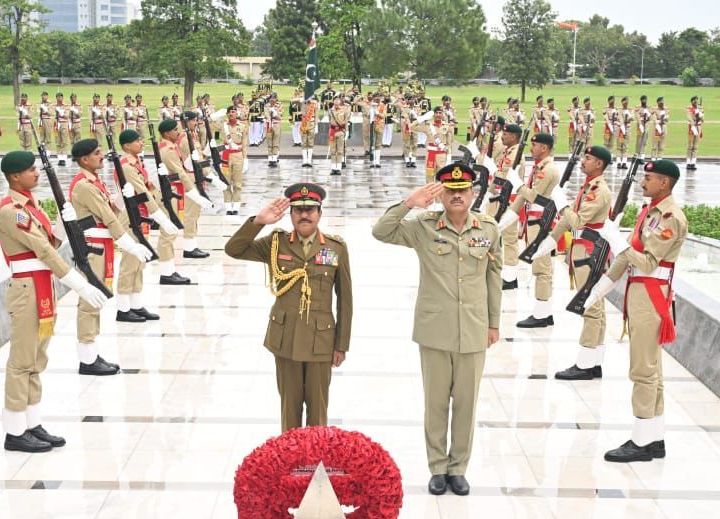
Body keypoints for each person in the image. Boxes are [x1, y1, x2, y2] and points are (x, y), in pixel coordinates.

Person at [372, 163, 502, 496]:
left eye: (463, 190)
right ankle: (437, 467)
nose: (457, 196)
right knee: (436, 403)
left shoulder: (488, 229)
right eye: (450, 190)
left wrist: (493, 322)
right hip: (434, 329)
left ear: (473, 193)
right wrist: (409, 203)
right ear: (441, 194)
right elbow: (381, 231)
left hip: (473, 328)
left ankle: (458, 467)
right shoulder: (423, 226)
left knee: (466, 404)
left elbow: (494, 278)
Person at [0, 150, 109, 452]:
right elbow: (43, 252)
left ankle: (31, 423)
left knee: (36, 359)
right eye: (31, 170)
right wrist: (78, 283)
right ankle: (15, 430)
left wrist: (62, 219)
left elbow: (51, 243)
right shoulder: (13, 211)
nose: (36, 174)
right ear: (14, 176)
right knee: (22, 362)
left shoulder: (32, 209)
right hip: (27, 290)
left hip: (41, 287)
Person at [225, 183, 353, 431]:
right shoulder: (276, 243)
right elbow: (234, 249)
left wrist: (341, 344)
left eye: (310, 209)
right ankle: (290, 464)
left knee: (318, 411)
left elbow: (345, 299)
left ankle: (314, 463)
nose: (304, 215)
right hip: (286, 339)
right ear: (291, 214)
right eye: (298, 210)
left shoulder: (336, 248)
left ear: (319, 213)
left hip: (320, 341)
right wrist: (259, 222)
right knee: (289, 409)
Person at [583, 159, 688, 462]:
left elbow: (647, 262)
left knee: (643, 370)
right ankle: (653, 437)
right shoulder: (651, 211)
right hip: (641, 294)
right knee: (651, 371)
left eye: (649, 178)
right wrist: (599, 289)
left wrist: (616, 241)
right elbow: (628, 258)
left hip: (651, 296)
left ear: (665, 183)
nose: (643, 182)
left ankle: (641, 442)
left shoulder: (670, 217)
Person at [68, 138, 154, 374]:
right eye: (97, 153)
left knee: (95, 303)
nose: (102, 156)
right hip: (92, 248)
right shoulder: (85, 185)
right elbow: (108, 219)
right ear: (84, 159)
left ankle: (92, 354)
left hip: (100, 245)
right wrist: (130, 245)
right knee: (89, 304)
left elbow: (110, 211)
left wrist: (121, 198)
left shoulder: (94, 182)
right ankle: (87, 360)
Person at [530, 146, 613, 379]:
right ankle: (594, 361)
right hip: (584, 251)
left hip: (588, 252)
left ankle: (585, 365)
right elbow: (568, 223)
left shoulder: (598, 191)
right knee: (596, 308)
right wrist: (549, 241)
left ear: (599, 164)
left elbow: (576, 222)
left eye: (588, 158)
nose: (582, 162)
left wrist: (561, 203)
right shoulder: (590, 186)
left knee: (590, 307)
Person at [112, 129, 179, 320]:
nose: (141, 143)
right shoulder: (126, 166)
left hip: (139, 215)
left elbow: (147, 187)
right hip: (130, 216)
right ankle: (123, 309)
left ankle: (136, 304)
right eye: (137, 141)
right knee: (130, 263)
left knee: (139, 263)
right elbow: (143, 193)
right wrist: (162, 219)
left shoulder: (136, 163)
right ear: (126, 146)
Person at [500, 133, 562, 327]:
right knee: (540, 268)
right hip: (535, 224)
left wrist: (516, 184)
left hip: (542, 224)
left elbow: (533, 196)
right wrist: (505, 219)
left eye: (534, 145)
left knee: (542, 270)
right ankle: (544, 312)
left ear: (544, 148)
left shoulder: (548, 170)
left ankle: (542, 315)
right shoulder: (539, 168)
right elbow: (524, 198)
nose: (531, 148)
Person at [151, 118, 196, 285]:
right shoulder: (168, 150)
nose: (178, 132)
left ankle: (169, 270)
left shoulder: (171, 147)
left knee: (170, 232)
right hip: (167, 194)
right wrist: (194, 192)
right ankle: (166, 272)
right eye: (175, 130)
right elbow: (180, 172)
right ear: (166, 133)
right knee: (167, 233)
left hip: (172, 192)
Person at [178, 111, 220, 257]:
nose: (196, 123)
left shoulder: (192, 136)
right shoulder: (184, 138)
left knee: (195, 212)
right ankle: (188, 248)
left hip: (197, 176)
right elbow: (187, 162)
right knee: (191, 213)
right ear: (187, 121)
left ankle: (192, 244)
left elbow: (200, 157)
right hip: (191, 177)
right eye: (194, 120)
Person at [489, 122, 526, 289]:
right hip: (501, 197)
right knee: (497, 235)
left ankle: (510, 278)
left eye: (505, 134)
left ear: (513, 137)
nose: (502, 136)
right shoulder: (509, 151)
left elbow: (502, 175)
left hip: (509, 199)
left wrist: (493, 172)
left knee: (509, 239)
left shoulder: (515, 153)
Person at [415, 106, 452, 180]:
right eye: (436, 113)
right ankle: (430, 192)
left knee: (441, 177)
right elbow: (412, 127)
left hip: (442, 154)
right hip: (431, 154)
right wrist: (422, 118)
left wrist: (449, 157)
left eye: (440, 113)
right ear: (433, 114)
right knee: (429, 177)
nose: (438, 115)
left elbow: (449, 144)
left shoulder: (447, 127)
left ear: (442, 114)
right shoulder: (428, 126)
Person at [222, 106, 246, 214]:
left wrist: (245, 158)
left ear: (237, 113)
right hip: (226, 156)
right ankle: (228, 206)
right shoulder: (223, 126)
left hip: (237, 156)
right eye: (230, 112)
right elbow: (210, 123)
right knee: (225, 182)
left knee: (237, 183)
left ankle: (236, 206)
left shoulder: (242, 126)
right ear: (227, 114)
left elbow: (245, 143)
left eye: (234, 112)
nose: (232, 114)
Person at [328, 96, 350, 176]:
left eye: (338, 100)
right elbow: (329, 121)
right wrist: (329, 131)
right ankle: (333, 168)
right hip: (333, 132)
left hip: (341, 131)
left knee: (340, 151)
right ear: (333, 102)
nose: (336, 102)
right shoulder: (330, 111)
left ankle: (339, 168)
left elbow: (346, 121)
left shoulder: (344, 110)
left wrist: (347, 131)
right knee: (333, 151)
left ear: (340, 102)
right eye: (335, 100)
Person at [300, 96, 319, 168]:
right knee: (304, 142)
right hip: (304, 124)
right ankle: (305, 160)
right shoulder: (303, 103)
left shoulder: (314, 104)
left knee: (310, 142)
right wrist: (303, 102)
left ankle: (309, 159)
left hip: (311, 124)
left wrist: (316, 125)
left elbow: (316, 115)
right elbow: (303, 113)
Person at [686, 96, 704, 170]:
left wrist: (700, 114)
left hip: (698, 127)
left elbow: (703, 120)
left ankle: (693, 162)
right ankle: (688, 162)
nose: (696, 102)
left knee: (695, 146)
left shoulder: (700, 109)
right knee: (690, 146)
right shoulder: (689, 109)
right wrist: (693, 122)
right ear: (692, 102)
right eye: (694, 101)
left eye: (696, 101)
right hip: (691, 127)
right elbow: (689, 117)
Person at [53, 92, 70, 166]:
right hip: (56, 124)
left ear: (62, 98)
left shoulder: (66, 106)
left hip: (64, 124)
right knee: (58, 141)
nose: (59, 98)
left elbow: (67, 115)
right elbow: (50, 114)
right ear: (56, 98)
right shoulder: (53, 106)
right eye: (58, 97)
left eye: (60, 97)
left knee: (64, 141)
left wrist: (62, 113)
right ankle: (60, 158)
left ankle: (64, 158)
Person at [266, 94, 282, 167]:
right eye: (271, 98)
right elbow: (267, 115)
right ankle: (270, 159)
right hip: (269, 125)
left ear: (276, 99)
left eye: (274, 98)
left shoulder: (279, 105)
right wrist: (269, 123)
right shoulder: (266, 106)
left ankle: (274, 158)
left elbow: (279, 117)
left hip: (276, 125)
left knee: (275, 142)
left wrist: (275, 113)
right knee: (269, 143)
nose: (272, 100)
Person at [617, 96, 633, 169]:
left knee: (625, 146)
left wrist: (629, 115)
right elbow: (620, 118)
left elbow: (632, 118)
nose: (625, 103)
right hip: (620, 129)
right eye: (624, 102)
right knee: (619, 146)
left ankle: (624, 162)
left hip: (628, 128)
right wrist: (622, 125)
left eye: (626, 101)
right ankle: (618, 162)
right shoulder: (619, 110)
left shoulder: (630, 110)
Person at [603, 96, 620, 162]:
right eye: (611, 101)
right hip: (607, 127)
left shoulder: (616, 109)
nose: (612, 102)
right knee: (606, 142)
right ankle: (605, 156)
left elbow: (619, 117)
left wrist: (618, 123)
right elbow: (605, 117)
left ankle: (610, 157)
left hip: (615, 126)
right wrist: (609, 124)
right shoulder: (606, 108)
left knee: (612, 142)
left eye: (613, 101)